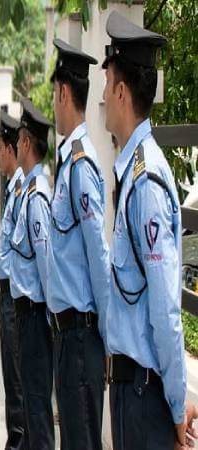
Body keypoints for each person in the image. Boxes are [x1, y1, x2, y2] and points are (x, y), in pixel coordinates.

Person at [102, 11, 188, 449]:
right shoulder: (133, 173)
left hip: (143, 398)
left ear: (121, 92)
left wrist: (178, 405)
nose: (102, 95)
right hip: (130, 393)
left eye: (106, 83)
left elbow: (166, 311)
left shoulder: (146, 183)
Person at [47, 38, 110, 449]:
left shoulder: (81, 166)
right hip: (66, 338)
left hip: (81, 339)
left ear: (64, 92)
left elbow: (98, 257)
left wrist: (107, 337)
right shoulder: (68, 160)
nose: (53, 104)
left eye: (54, 93)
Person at [9, 98, 54, 450]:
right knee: (30, 410)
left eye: (19, 139)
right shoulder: (27, 190)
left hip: (36, 320)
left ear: (25, 143)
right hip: (26, 318)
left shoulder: (37, 197)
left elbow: (46, 266)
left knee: (37, 413)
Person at [0, 109, 26, 450]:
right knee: (11, 381)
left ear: (10, 148)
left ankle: (18, 444)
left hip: (16, 301)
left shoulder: (23, 190)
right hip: (8, 299)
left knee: (18, 384)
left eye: (0, 148)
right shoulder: (12, 188)